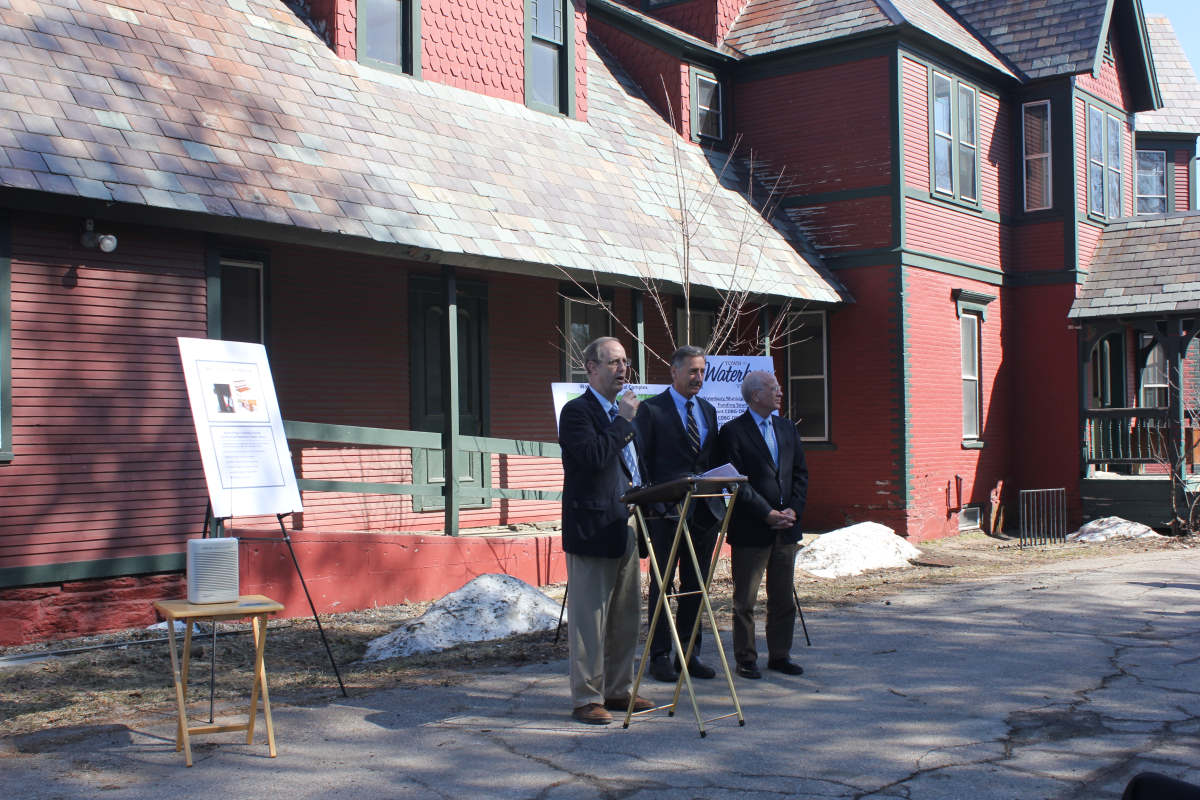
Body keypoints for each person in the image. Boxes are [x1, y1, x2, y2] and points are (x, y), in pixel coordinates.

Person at [558, 336, 653, 725]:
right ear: (591, 368)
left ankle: (618, 690)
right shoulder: (577, 413)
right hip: (592, 526)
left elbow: (633, 466)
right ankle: (586, 698)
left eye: (625, 362)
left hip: (627, 523)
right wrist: (623, 421)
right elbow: (594, 458)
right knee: (589, 622)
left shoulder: (623, 414)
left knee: (625, 615)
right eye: (613, 362)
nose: (622, 369)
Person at [634, 344, 721, 682]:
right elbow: (641, 462)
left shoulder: (708, 410)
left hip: (702, 513)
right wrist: (654, 504)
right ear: (674, 372)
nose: (698, 378)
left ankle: (689, 653)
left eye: (702, 371)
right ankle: (659, 654)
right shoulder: (651, 410)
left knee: (696, 584)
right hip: (665, 513)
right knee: (663, 583)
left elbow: (709, 460)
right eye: (692, 371)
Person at [717, 370, 809, 679]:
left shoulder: (786, 428)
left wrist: (793, 510)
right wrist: (766, 512)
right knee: (745, 600)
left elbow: (800, 473)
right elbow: (735, 482)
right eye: (773, 388)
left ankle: (780, 655)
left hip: (786, 529)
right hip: (751, 530)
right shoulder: (733, 432)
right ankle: (746, 658)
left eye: (779, 387)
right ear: (756, 395)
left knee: (782, 598)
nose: (780, 393)